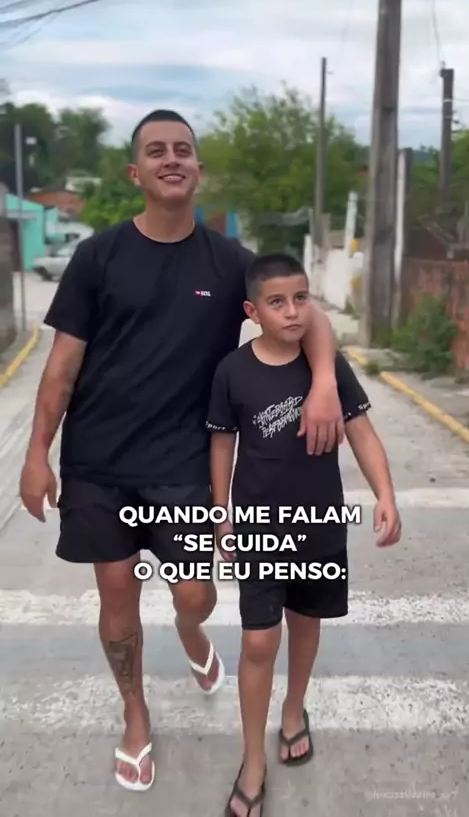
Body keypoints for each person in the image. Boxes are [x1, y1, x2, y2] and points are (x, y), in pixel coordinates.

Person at [19, 111, 345, 792]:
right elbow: (61, 366)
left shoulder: (230, 263)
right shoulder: (98, 257)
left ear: (198, 170)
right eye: (156, 151)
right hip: (99, 462)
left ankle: (190, 632)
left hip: (184, 464)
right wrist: (36, 452)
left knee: (195, 593)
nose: (171, 159)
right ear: (135, 172)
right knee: (116, 597)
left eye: (183, 150)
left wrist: (322, 385)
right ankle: (135, 714)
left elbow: (308, 315)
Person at [206, 252, 402, 817]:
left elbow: (362, 433)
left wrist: (386, 494)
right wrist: (221, 512)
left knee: (306, 624)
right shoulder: (232, 372)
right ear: (253, 312)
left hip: (320, 527)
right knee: (258, 641)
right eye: (277, 302)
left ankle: (294, 709)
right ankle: (253, 761)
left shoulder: (328, 369)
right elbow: (222, 443)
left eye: (300, 298)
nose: (292, 311)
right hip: (259, 529)